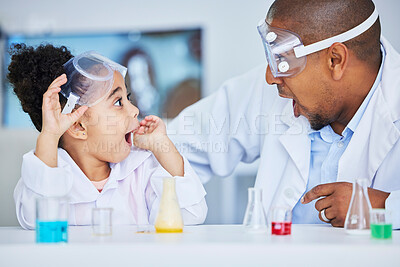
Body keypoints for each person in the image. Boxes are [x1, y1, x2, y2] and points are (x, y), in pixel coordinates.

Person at [168, 0, 400, 229]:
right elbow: (172, 146)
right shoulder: (267, 90)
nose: (271, 77)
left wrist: (385, 208)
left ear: (335, 60)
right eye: (273, 57)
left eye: (284, 60)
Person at [8, 44, 207, 230]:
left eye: (128, 98)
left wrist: (162, 145)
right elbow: (35, 220)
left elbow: (190, 214)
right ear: (78, 126)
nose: (135, 110)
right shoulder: (48, 174)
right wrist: (50, 136)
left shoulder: (143, 168)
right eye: (118, 102)